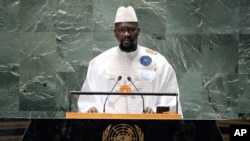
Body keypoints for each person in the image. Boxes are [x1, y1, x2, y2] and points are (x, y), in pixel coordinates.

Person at [78, 6, 182, 116]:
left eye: (131, 30)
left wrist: (154, 112)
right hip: (108, 130)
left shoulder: (158, 62)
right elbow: (88, 101)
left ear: (138, 31)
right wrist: (91, 110)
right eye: (122, 30)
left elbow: (170, 100)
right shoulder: (99, 64)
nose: (126, 34)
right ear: (115, 32)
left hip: (149, 129)